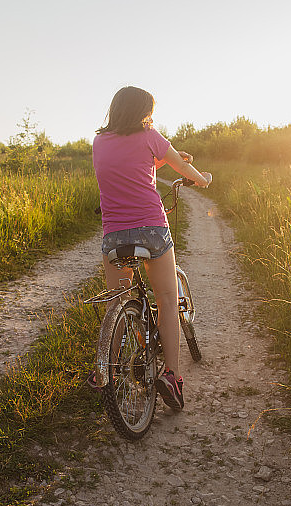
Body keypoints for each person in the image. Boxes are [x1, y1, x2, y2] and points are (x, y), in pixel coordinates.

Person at [92, 86, 212, 410]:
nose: (151, 118)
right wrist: (202, 179)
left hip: (114, 236)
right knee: (167, 299)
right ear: (142, 113)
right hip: (152, 231)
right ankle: (172, 376)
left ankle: (107, 368)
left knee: (117, 302)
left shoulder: (99, 142)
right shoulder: (150, 135)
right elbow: (182, 168)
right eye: (149, 113)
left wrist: (163, 157)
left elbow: (128, 163)